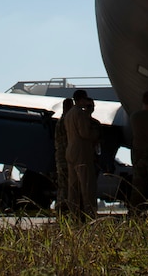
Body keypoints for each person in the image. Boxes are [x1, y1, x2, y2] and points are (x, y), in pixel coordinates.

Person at [63, 88, 102, 218]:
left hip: (71, 151)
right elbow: (85, 133)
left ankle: (74, 213)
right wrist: (96, 133)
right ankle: (90, 213)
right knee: (87, 185)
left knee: (73, 186)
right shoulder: (79, 114)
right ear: (81, 100)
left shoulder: (69, 114)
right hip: (82, 152)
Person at [51, 97, 74, 216]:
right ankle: (64, 210)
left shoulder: (60, 121)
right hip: (66, 158)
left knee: (62, 185)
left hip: (60, 158)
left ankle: (61, 210)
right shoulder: (67, 121)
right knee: (66, 185)